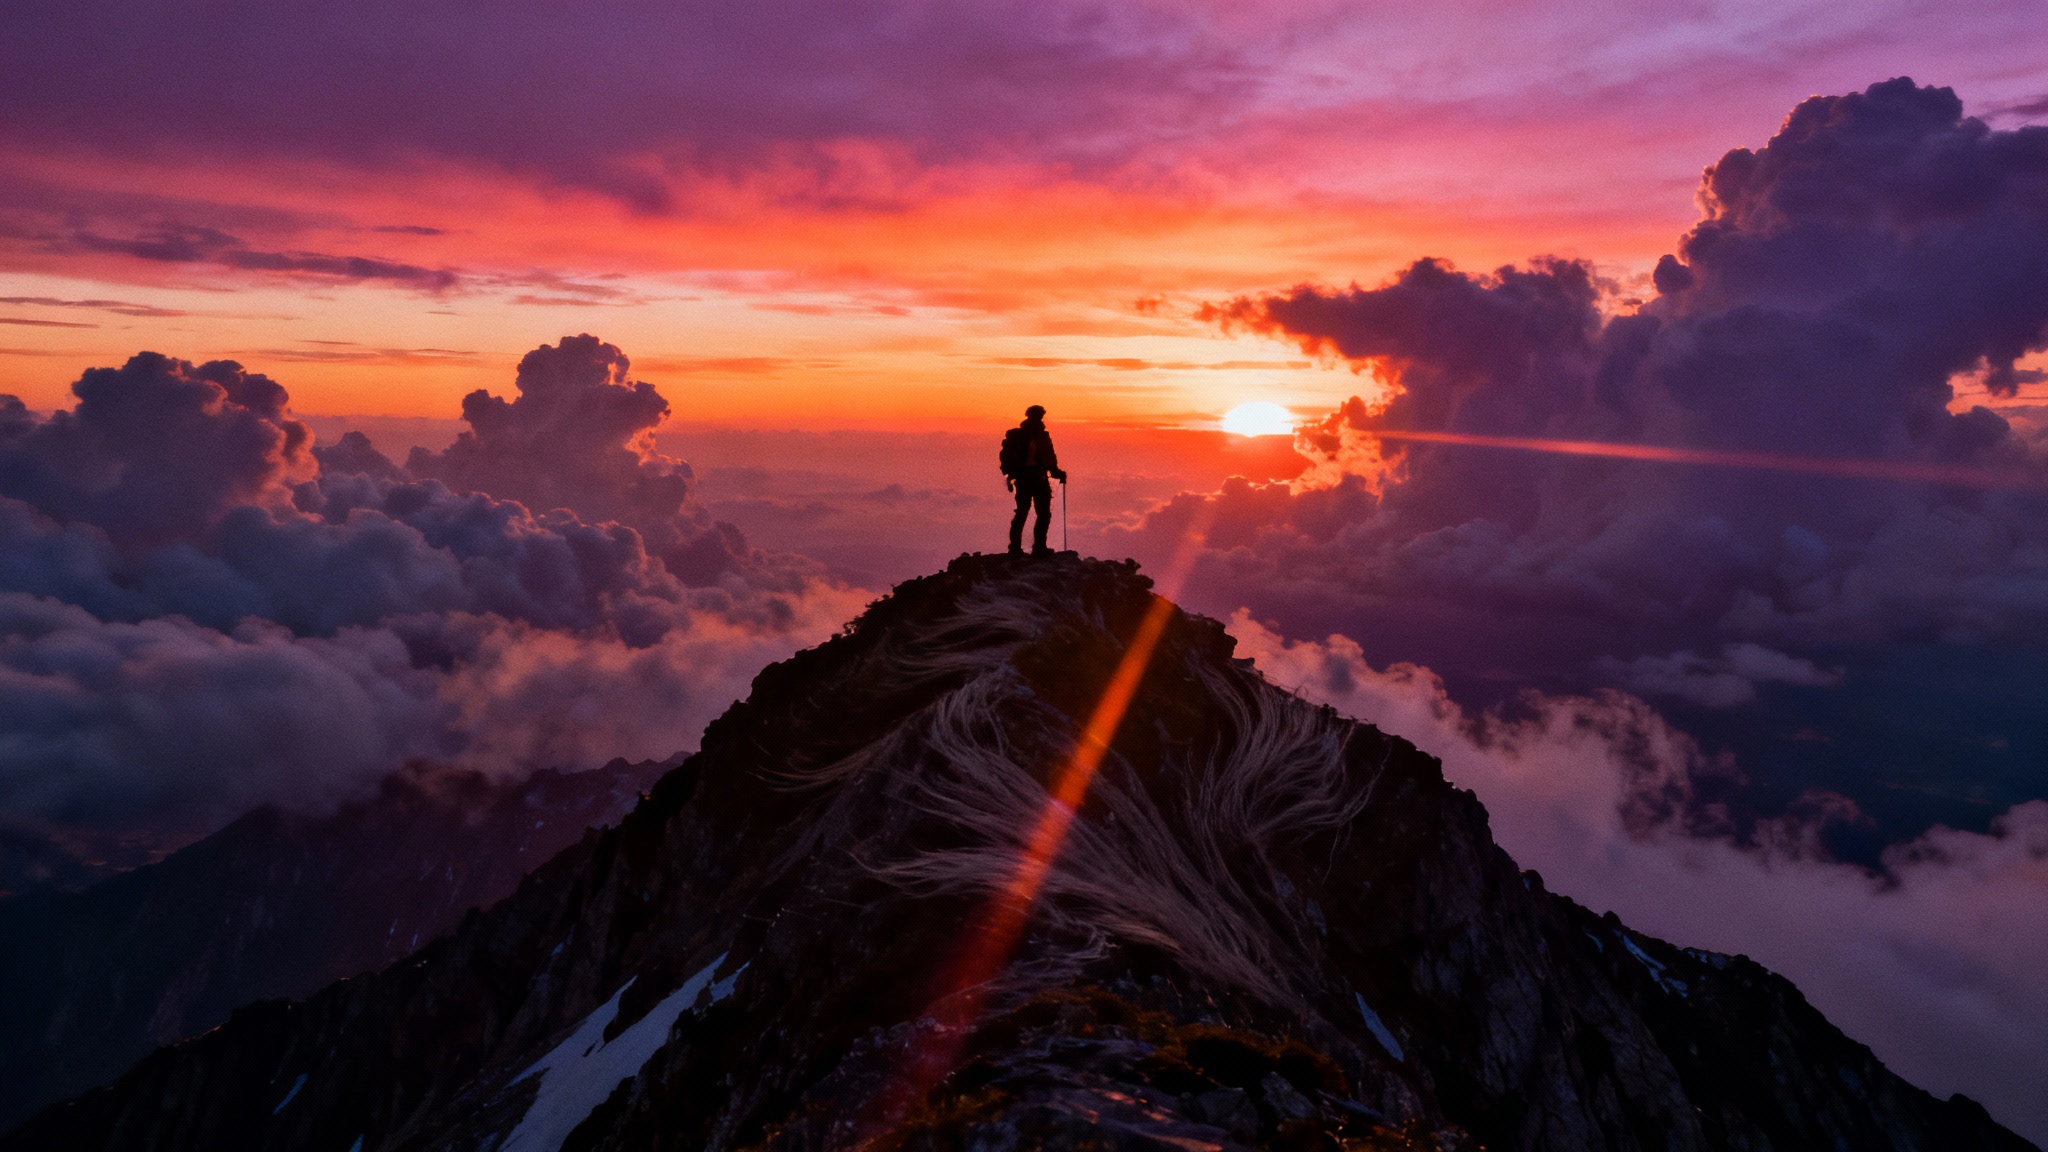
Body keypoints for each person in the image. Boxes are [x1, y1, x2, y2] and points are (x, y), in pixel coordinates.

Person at [1001, 404, 1066, 556]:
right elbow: (1049, 459)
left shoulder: (1017, 436)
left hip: (1023, 479)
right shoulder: (1041, 436)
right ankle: (1039, 548)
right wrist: (1057, 473)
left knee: (1022, 512)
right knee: (1042, 514)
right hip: (1038, 478)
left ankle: (1015, 548)